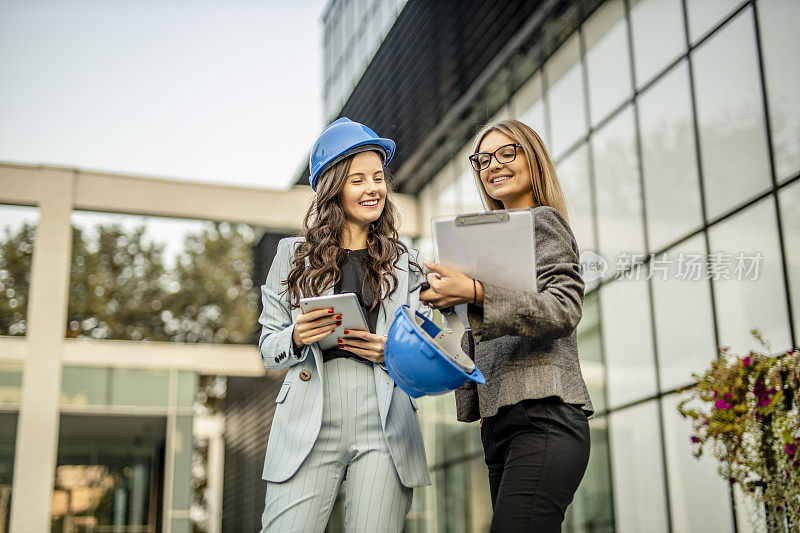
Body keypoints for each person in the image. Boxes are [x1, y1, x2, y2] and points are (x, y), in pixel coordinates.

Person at [257, 118, 431, 532]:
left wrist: (391, 350)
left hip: (384, 417)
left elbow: (429, 346)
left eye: (378, 177)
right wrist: (297, 335)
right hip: (309, 416)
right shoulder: (292, 256)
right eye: (358, 180)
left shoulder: (407, 263)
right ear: (333, 188)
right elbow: (268, 346)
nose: (373, 188)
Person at [419, 118, 593, 532]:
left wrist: (476, 292)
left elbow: (563, 309)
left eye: (506, 153)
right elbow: (481, 329)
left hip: (545, 416)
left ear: (532, 158)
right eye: (482, 159)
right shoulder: (482, 241)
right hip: (500, 423)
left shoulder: (543, 221)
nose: (492, 164)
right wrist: (447, 303)